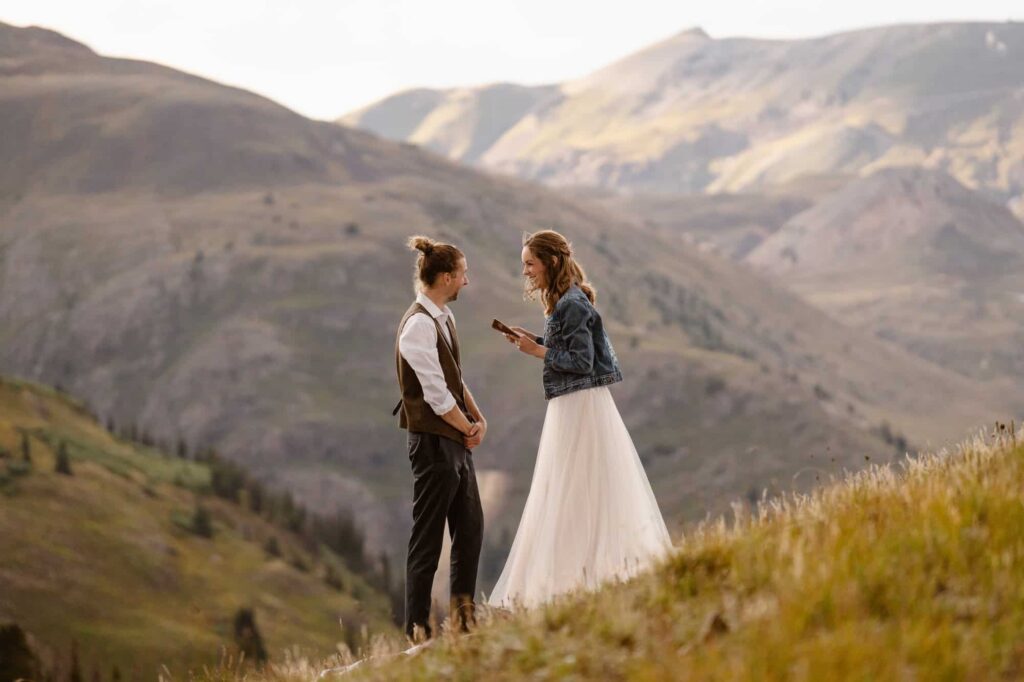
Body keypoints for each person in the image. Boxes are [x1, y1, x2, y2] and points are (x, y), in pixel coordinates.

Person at [487, 229, 672, 608]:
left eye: (530, 264)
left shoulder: (571, 303)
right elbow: (569, 347)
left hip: (579, 405)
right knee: (576, 484)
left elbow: (582, 362)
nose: (525, 272)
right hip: (573, 402)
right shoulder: (567, 301)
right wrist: (537, 341)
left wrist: (537, 352)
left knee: (574, 484)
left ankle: (577, 576)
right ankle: (581, 574)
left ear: (550, 262)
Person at [394, 236, 486, 640]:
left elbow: (454, 379)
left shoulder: (444, 318)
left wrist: (477, 419)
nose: (466, 282)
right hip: (433, 444)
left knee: (470, 530)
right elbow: (435, 394)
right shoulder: (417, 325)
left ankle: (465, 622)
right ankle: (417, 630)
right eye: (462, 274)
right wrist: (467, 428)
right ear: (447, 277)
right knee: (428, 539)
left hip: (454, 441)